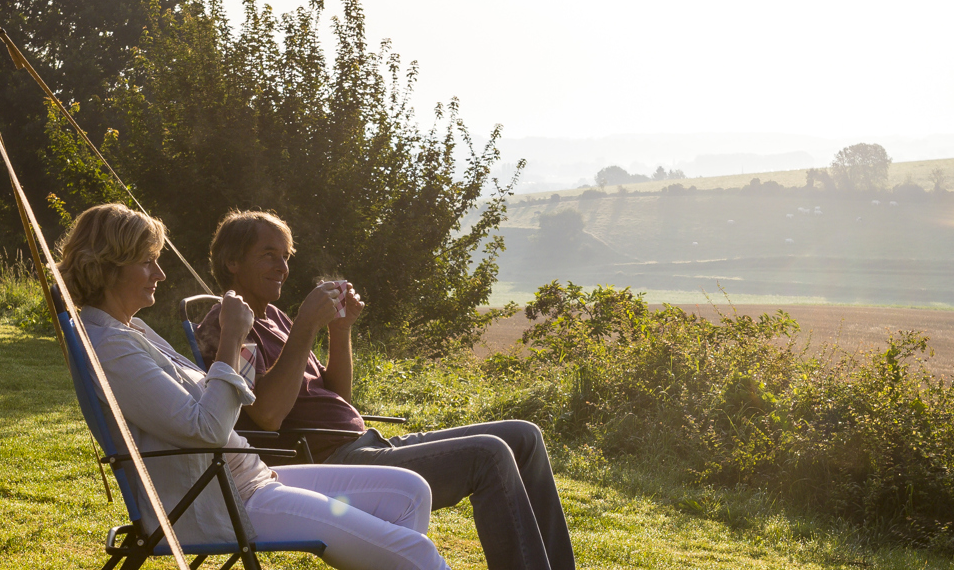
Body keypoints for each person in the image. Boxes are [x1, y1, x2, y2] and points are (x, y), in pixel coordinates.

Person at [60, 203, 448, 570]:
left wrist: (242, 343)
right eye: (148, 262)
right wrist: (230, 337)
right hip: (221, 500)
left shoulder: (130, 329)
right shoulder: (110, 347)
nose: (160, 274)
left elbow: (235, 400)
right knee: (417, 553)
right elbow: (207, 429)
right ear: (108, 267)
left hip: (247, 477)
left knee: (409, 492)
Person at [196, 210, 577, 570]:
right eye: (269, 255)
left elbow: (337, 398)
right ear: (233, 261)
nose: (282, 267)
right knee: (488, 454)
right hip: (329, 463)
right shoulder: (230, 324)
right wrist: (306, 326)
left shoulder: (275, 316)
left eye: (286, 256)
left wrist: (339, 329)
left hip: (365, 443)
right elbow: (266, 415)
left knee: (524, 435)